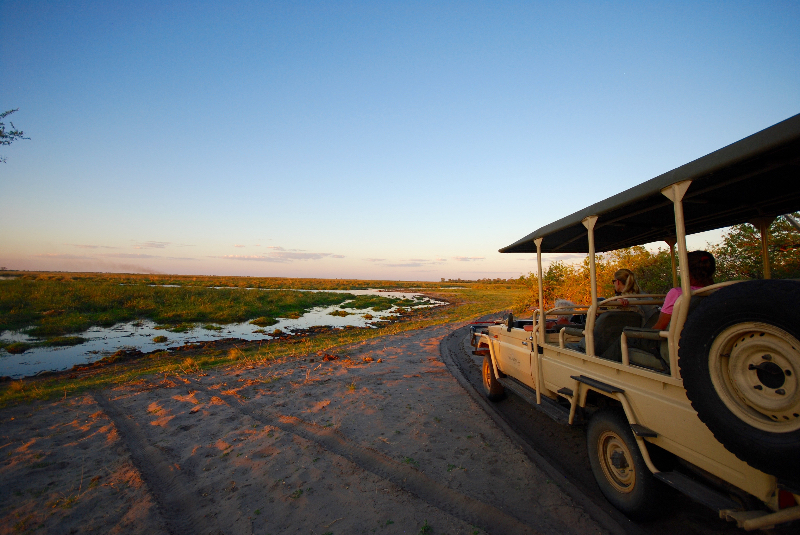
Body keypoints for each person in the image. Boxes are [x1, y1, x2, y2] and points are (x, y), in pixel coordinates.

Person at [652, 250, 715, 331]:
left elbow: (660, 326)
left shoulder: (679, 294)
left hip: (679, 341)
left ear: (686, 269)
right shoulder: (722, 291)